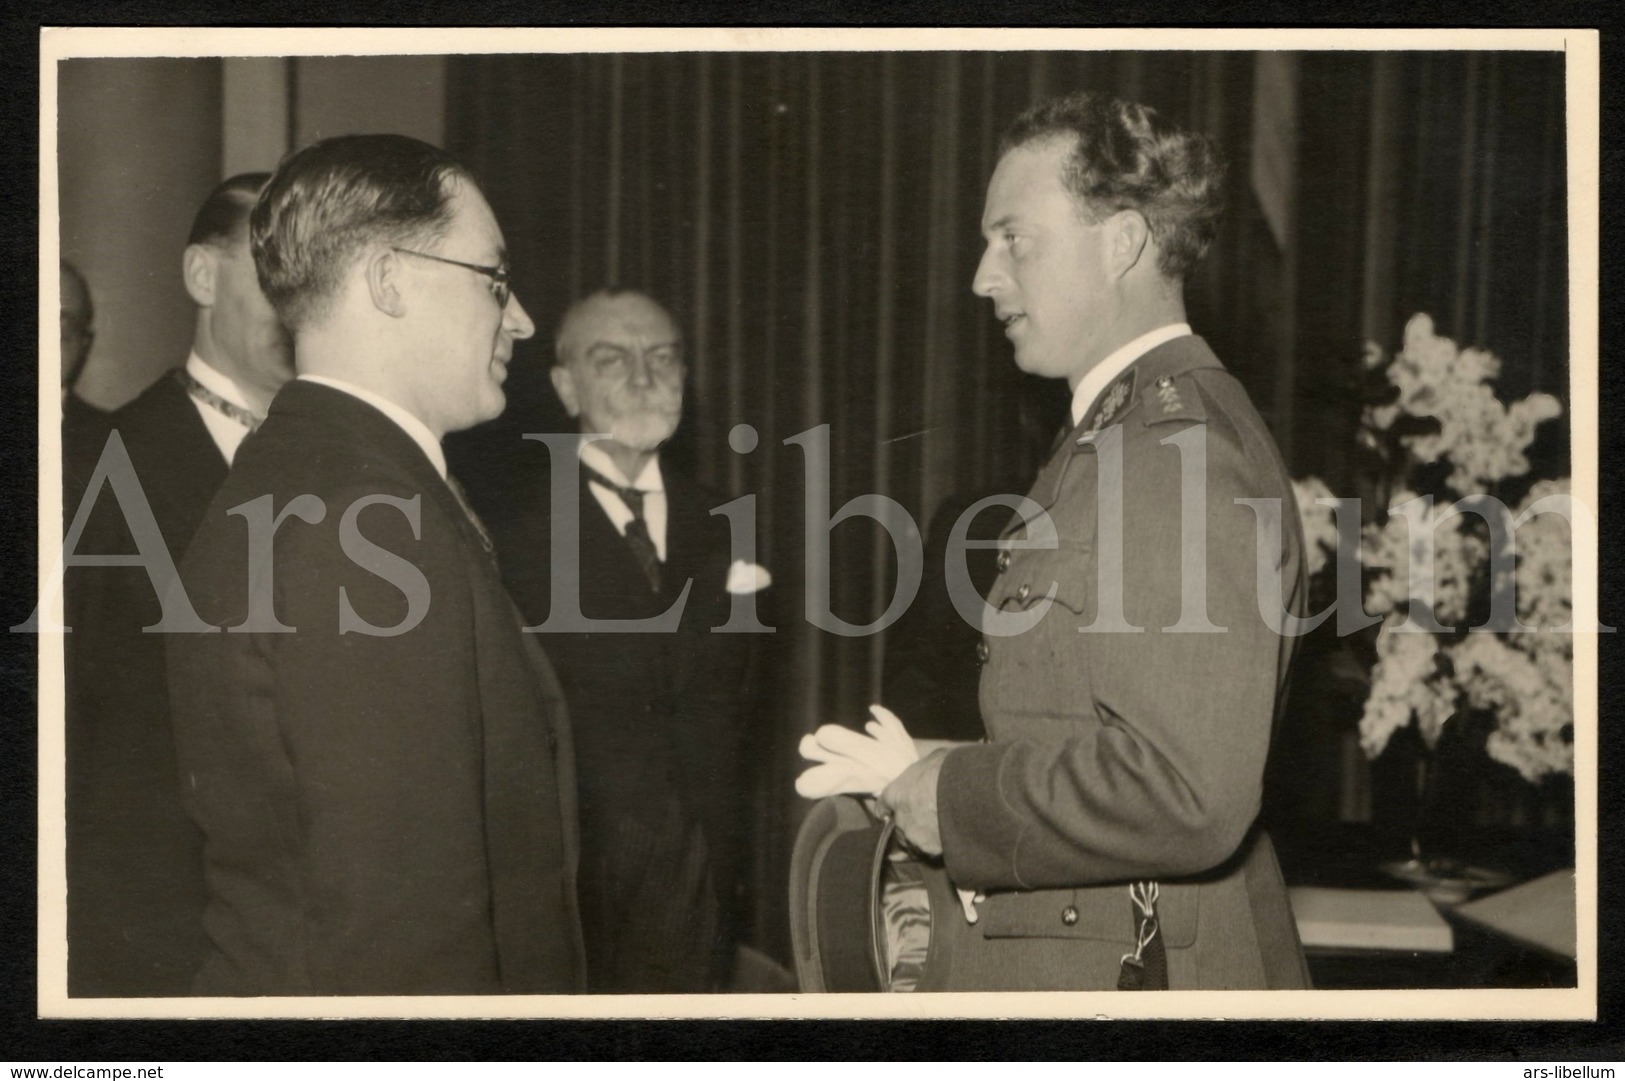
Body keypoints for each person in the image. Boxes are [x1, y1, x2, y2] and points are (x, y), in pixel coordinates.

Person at [874, 91, 1310, 989]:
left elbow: (1187, 790)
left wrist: (949, 795)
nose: (982, 276)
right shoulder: (1114, 435)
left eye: (1013, 239)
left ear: (1120, 243)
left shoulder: (1169, 454)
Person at [166, 134, 583, 995]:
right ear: (390, 281)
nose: (522, 319)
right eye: (494, 281)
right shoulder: (369, 524)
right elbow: (407, 932)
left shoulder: (298, 475)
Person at [487, 289, 762, 993]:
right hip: (575, 878)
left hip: (705, 868)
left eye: (661, 357)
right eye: (612, 359)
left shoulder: (725, 519)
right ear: (564, 384)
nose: (643, 377)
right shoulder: (511, 531)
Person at [63, 174, 294, 996]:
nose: (301, 305)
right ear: (203, 277)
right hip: (155, 945)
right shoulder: (87, 471)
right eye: (276, 274)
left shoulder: (366, 475)